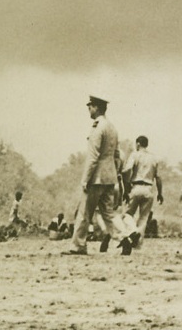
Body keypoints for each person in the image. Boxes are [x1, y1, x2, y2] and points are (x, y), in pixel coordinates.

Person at [66, 96, 136, 256]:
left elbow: (93, 157)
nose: (89, 109)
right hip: (110, 177)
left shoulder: (98, 128)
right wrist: (114, 171)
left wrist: (85, 179)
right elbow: (117, 154)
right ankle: (124, 237)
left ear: (96, 107)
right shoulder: (112, 127)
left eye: (90, 106)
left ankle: (78, 246)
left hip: (96, 177)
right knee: (109, 212)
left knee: (85, 212)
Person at [123, 135, 164, 247]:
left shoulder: (135, 155)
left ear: (138, 144)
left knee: (127, 214)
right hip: (149, 188)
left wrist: (126, 186)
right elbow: (158, 177)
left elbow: (127, 170)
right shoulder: (154, 158)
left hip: (136, 187)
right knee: (143, 218)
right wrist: (160, 193)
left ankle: (132, 231)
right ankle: (137, 244)